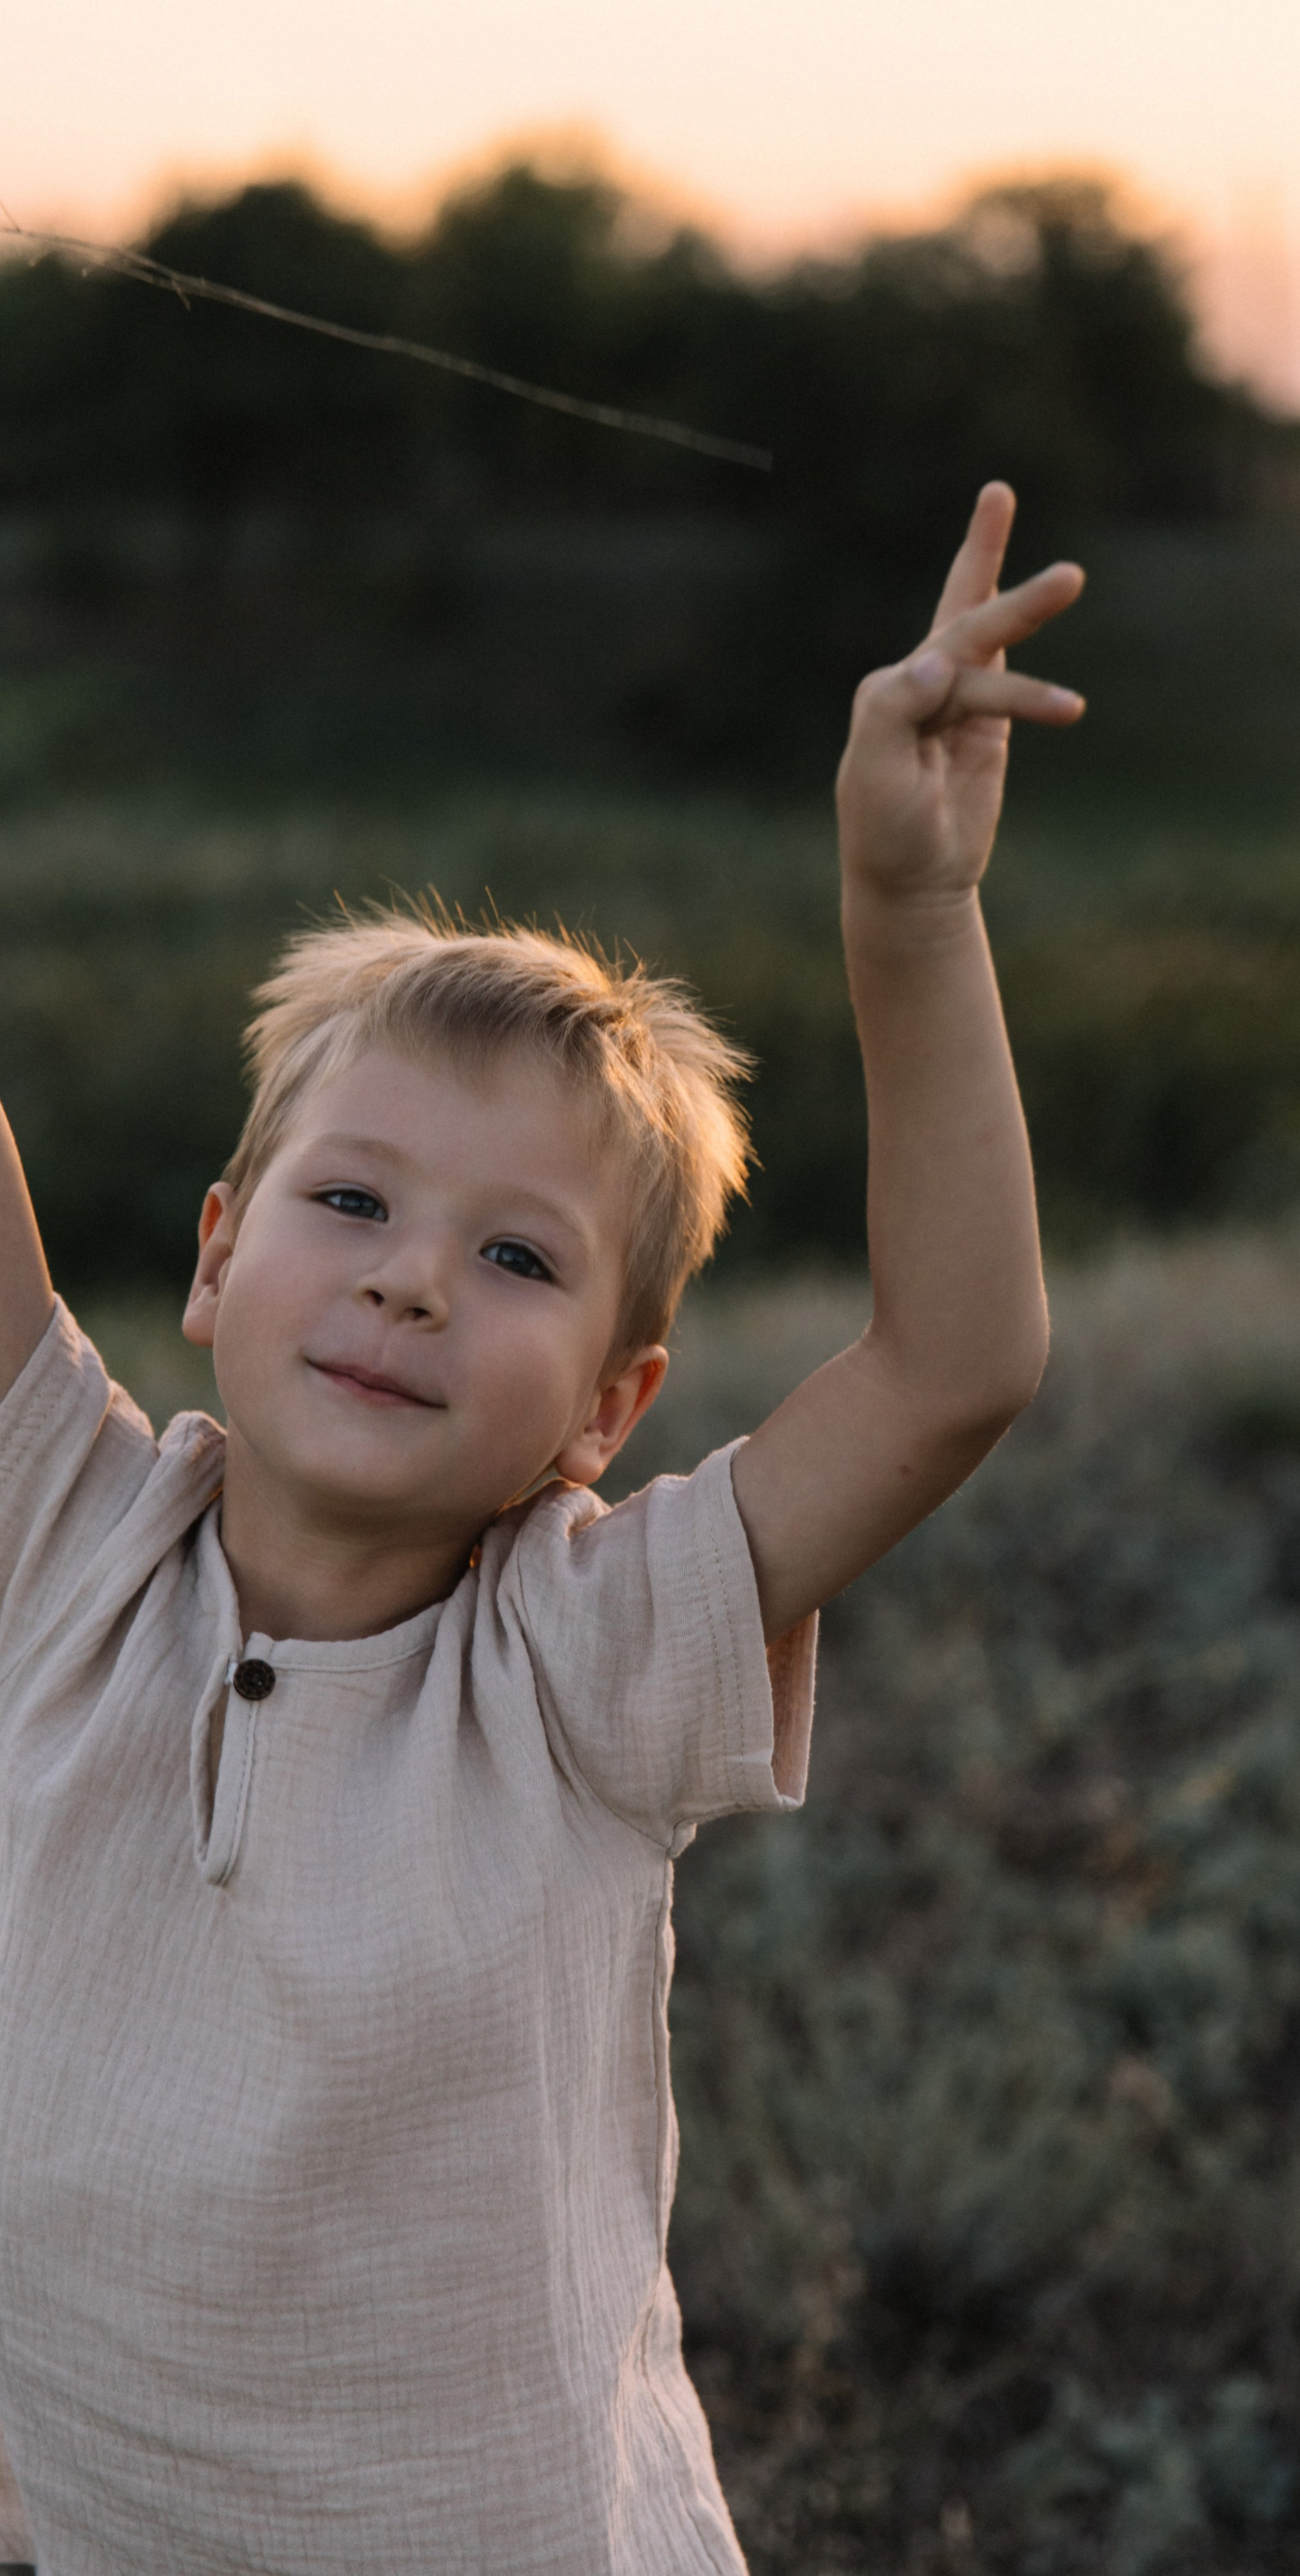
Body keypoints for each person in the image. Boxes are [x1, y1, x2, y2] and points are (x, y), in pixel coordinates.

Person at [0, 484, 1083, 2575]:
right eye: (350, 1203)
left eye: (514, 1253)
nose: (410, 1277)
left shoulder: (579, 1663)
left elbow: (958, 1364)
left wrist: (910, 912)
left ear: (609, 1407)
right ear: (215, 1258)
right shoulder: (60, 1535)